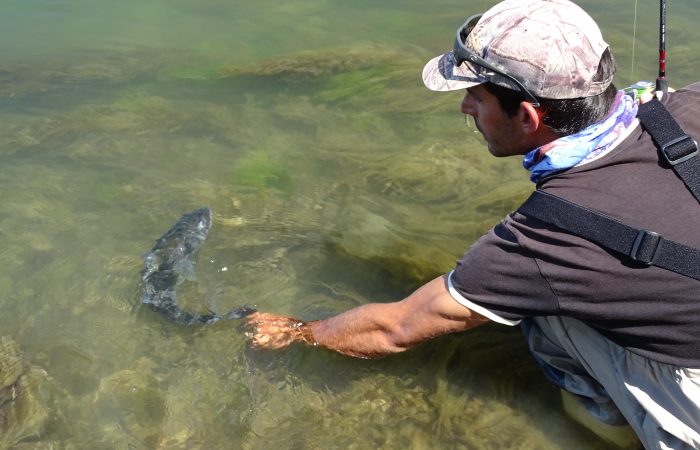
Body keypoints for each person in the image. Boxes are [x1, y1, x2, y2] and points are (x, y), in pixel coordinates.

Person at [244, 0, 700, 448]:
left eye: (475, 96)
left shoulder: (543, 239)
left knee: (544, 317)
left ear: (527, 116)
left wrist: (299, 332)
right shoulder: (691, 103)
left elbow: (395, 329)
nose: (466, 107)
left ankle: (610, 428)